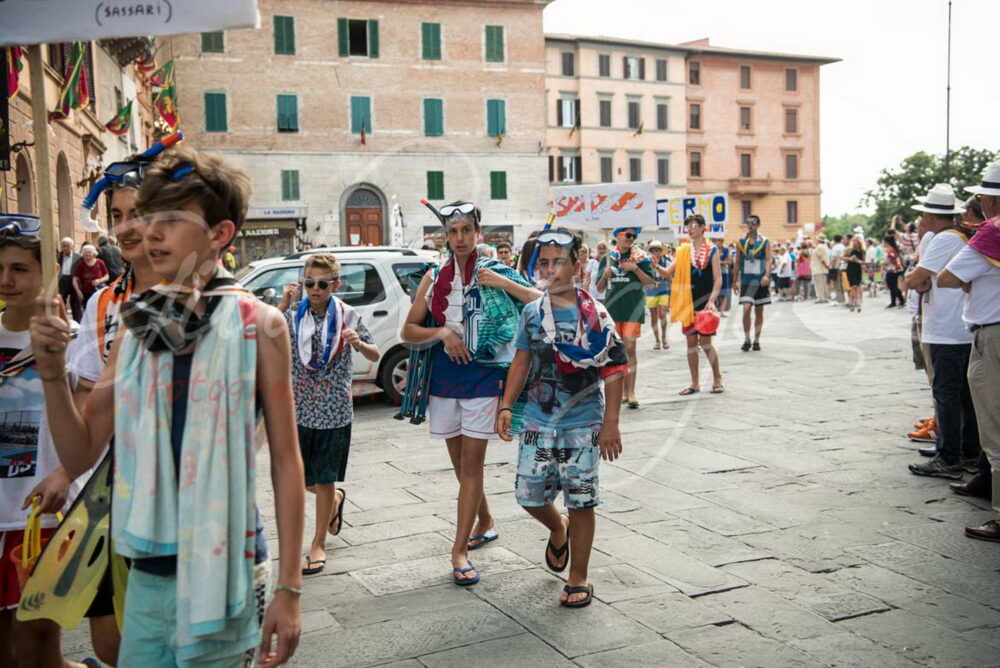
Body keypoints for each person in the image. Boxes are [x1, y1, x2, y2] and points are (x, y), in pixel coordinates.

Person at [30, 146, 305, 667]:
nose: (150, 232)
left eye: (171, 220)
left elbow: (288, 462)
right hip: (146, 571)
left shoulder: (261, 326)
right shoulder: (136, 329)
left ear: (220, 234)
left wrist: (290, 589)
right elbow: (82, 451)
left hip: (227, 572)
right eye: (147, 217)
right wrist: (50, 376)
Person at [401, 201, 539, 586]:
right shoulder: (433, 277)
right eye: (453, 231)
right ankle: (486, 520)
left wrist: (506, 285)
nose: (460, 238)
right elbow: (408, 331)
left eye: (466, 230)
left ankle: (458, 550)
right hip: (444, 380)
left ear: (478, 233)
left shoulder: (494, 269)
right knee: (462, 468)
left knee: (473, 465)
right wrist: (442, 332)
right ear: (445, 237)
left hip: (484, 377)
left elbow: (539, 301)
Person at [495, 228, 627, 608]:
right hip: (537, 421)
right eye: (544, 263)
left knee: (582, 500)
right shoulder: (532, 312)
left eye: (559, 262)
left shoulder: (597, 316)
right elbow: (521, 360)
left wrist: (611, 424)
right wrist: (506, 405)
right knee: (528, 495)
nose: (551, 270)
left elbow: (615, 370)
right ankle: (558, 527)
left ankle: (578, 577)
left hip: (583, 423)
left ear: (577, 265)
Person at [0, 215, 99, 668]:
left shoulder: (76, 341)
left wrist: (64, 472)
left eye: (20, 269)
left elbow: (89, 424)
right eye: (1, 269)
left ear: (48, 271)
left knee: (38, 649)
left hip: (43, 512)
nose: (7, 280)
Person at [277, 253, 379, 577]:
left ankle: (318, 543)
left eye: (322, 284)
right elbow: (263, 335)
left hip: (334, 410)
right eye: (310, 283)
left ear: (335, 284)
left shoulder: (347, 315)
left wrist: (358, 342)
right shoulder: (293, 315)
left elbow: (374, 353)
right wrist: (282, 304)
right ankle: (334, 499)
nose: (315, 290)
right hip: (298, 409)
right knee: (299, 478)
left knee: (323, 478)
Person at [937, 163, 1000, 540]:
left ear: (991, 200)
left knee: (995, 429)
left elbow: (947, 278)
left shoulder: (993, 231)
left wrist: (969, 282)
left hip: (993, 336)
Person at [905, 184, 980, 480]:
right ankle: (966, 451)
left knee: (946, 394)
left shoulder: (944, 239)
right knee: (962, 395)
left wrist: (920, 280)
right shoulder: (957, 236)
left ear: (930, 215)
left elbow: (914, 280)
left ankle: (949, 457)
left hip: (946, 330)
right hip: (958, 328)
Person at [661, 215, 724, 395]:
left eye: (694, 225)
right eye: (687, 226)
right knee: (690, 343)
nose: (690, 229)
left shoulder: (712, 250)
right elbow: (668, 273)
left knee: (705, 343)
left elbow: (718, 279)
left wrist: (711, 301)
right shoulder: (683, 251)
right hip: (688, 302)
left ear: (703, 227)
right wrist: (656, 266)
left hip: (705, 303)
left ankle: (717, 377)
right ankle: (695, 382)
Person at [597, 227, 656, 408]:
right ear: (618, 236)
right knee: (616, 352)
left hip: (633, 310)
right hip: (612, 311)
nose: (631, 239)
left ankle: (631, 392)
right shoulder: (607, 258)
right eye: (628, 235)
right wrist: (605, 275)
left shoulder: (641, 258)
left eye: (634, 236)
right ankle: (620, 392)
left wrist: (635, 269)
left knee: (629, 348)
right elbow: (599, 287)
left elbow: (651, 282)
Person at [732, 215, 772, 351]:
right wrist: (734, 281)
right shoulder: (740, 242)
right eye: (748, 223)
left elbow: (768, 259)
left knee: (759, 311)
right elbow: (737, 262)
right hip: (746, 281)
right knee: (746, 309)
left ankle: (757, 340)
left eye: (754, 223)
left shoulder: (765, 241)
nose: (751, 225)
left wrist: (767, 275)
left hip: (760, 280)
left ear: (758, 225)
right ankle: (747, 338)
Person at [645, 240, 671, 350]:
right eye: (652, 250)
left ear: (661, 251)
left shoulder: (667, 262)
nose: (655, 252)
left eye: (657, 249)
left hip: (663, 290)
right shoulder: (646, 262)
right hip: (650, 292)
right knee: (654, 317)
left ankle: (664, 338)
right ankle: (657, 340)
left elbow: (670, 276)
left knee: (663, 315)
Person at [57, 237, 82, 321]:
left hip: (73, 281)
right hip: (62, 281)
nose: (65, 248)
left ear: (72, 246)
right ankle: (62, 321)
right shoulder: (57, 256)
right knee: (61, 302)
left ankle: (77, 322)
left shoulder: (78, 257)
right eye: (63, 246)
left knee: (75, 304)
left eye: (67, 246)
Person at [882, 235, 905, 308]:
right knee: (892, 286)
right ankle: (898, 300)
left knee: (892, 286)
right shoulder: (891, 250)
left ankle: (896, 301)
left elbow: (889, 260)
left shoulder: (891, 250)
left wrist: (881, 263)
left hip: (893, 270)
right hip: (891, 270)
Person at [843, 235, 865, 311]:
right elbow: (842, 257)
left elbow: (864, 261)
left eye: (856, 241)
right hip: (850, 269)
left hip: (858, 269)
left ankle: (856, 301)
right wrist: (850, 259)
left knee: (857, 286)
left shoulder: (862, 250)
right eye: (854, 241)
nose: (855, 242)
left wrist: (859, 261)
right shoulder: (849, 249)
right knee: (853, 286)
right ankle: (854, 302)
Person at [811, 234, 831, 303]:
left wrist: (826, 265)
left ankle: (821, 298)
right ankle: (824, 297)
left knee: (819, 284)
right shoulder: (823, 247)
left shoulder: (819, 247)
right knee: (823, 284)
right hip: (821, 268)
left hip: (819, 268)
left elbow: (822, 258)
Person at [715, 238, 732, 313]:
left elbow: (729, 261)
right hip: (715, 272)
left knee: (724, 292)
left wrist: (720, 262)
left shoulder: (726, 250)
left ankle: (722, 311)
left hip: (724, 272)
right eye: (715, 241)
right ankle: (716, 309)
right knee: (716, 291)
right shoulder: (713, 249)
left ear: (721, 241)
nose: (716, 242)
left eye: (717, 241)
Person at [829, 234, 846, 304]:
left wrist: (832, 266)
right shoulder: (843, 247)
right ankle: (843, 297)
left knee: (837, 283)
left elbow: (834, 258)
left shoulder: (835, 247)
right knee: (842, 283)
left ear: (834, 240)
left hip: (836, 266)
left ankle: (839, 298)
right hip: (844, 266)